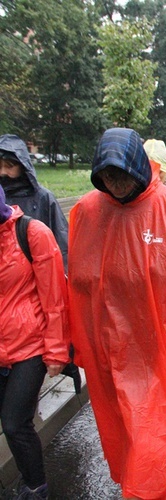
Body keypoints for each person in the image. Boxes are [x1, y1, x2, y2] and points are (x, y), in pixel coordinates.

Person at [68, 128, 166, 500]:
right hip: (110, 347)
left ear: (138, 167)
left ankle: (147, 489)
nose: (115, 183)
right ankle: (143, 484)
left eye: (121, 173)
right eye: (106, 175)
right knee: (125, 429)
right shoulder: (87, 211)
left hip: (159, 347)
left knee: (151, 428)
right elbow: (77, 283)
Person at [0, 184, 69, 500]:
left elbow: (54, 297)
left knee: (15, 423)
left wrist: (56, 350)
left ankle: (35, 487)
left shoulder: (32, 233)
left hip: (29, 345)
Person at [0, 135, 68, 268]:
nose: (3, 172)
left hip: (36, 275)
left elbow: (61, 241)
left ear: (22, 165)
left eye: (10, 166)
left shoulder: (43, 198)